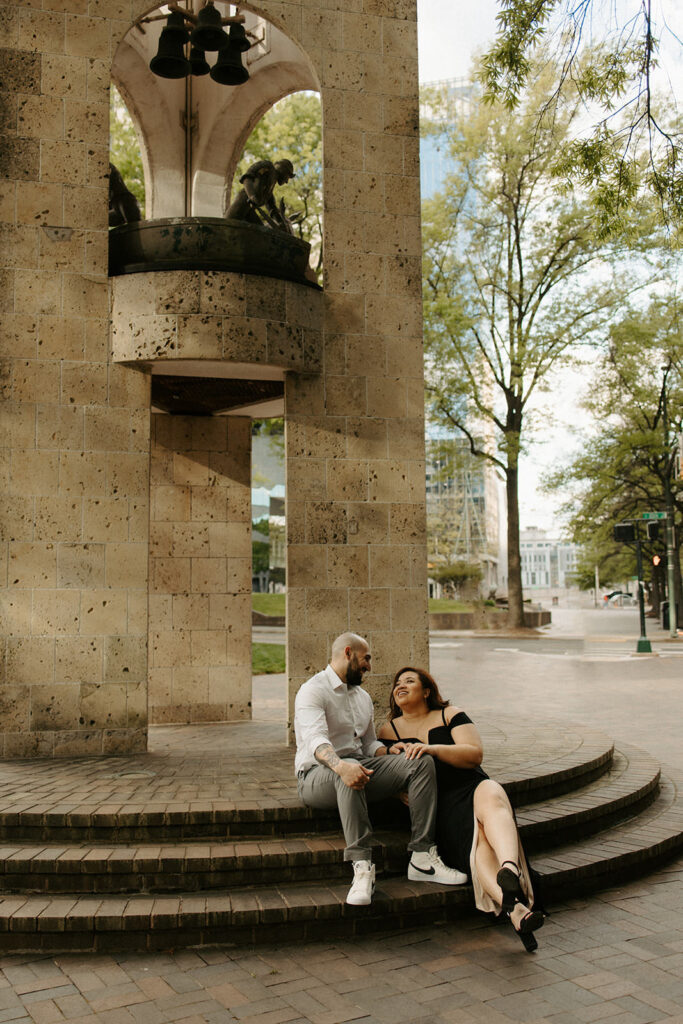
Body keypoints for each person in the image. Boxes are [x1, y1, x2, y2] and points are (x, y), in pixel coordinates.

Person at [294, 633, 468, 906]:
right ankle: (362, 867)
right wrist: (341, 767)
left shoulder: (361, 696)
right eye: (366, 659)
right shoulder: (313, 690)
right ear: (348, 653)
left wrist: (389, 750)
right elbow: (316, 741)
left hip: (359, 766)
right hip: (316, 776)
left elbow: (368, 744)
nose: (369, 667)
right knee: (350, 767)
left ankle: (422, 856)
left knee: (420, 759)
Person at [378, 666, 544, 952]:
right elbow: (383, 771)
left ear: (427, 691)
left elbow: (474, 753)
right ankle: (516, 911)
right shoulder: (387, 730)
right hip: (440, 806)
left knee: (492, 795)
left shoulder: (449, 714)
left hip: (471, 786)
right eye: (397, 683)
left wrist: (431, 749)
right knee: (478, 844)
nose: (400, 685)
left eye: (409, 681)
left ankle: (509, 867)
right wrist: (397, 793)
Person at [226, 158, 297, 230]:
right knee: (228, 226)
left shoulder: (270, 185)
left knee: (262, 233)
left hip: (250, 210)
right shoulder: (267, 166)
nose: (287, 181)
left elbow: (272, 207)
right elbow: (247, 178)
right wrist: (252, 196)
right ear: (283, 169)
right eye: (288, 176)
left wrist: (281, 223)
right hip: (243, 202)